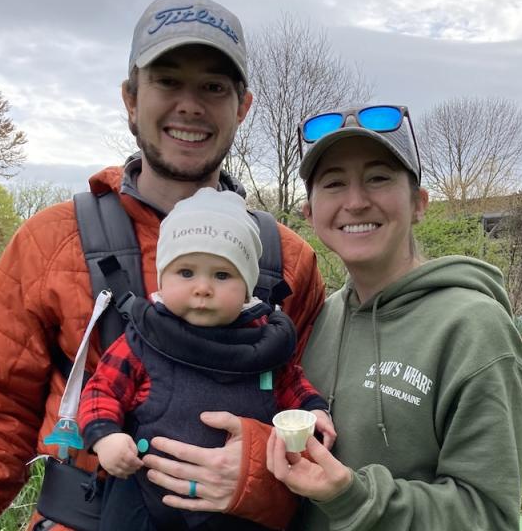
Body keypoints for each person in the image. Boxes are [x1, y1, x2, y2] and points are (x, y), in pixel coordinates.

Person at [0, 0, 326, 531]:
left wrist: (255, 473)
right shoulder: (49, 241)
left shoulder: (290, 260)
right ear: (130, 99)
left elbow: (310, 422)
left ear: (242, 107)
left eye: (213, 87)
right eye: (167, 82)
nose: (190, 105)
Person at [263, 104, 522, 530]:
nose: (356, 202)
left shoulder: (473, 329)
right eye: (334, 183)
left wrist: (354, 499)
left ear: (419, 204)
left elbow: (489, 517)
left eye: (378, 178)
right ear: (310, 215)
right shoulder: (319, 320)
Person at [79, 187, 334, 530]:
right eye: (186, 272)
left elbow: (291, 383)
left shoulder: (264, 344)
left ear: (247, 287)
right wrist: (105, 436)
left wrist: (313, 410)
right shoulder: (143, 339)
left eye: (222, 275)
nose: (202, 288)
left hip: (238, 509)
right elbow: (101, 390)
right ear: (162, 278)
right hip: (146, 497)